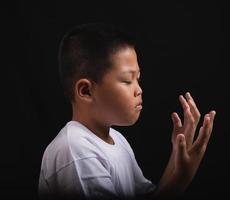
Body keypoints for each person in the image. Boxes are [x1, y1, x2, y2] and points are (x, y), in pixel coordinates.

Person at [38, 22, 216, 200]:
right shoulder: (76, 151)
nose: (139, 90)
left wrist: (178, 158)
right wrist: (181, 178)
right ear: (86, 91)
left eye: (138, 79)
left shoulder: (117, 140)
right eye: (127, 80)